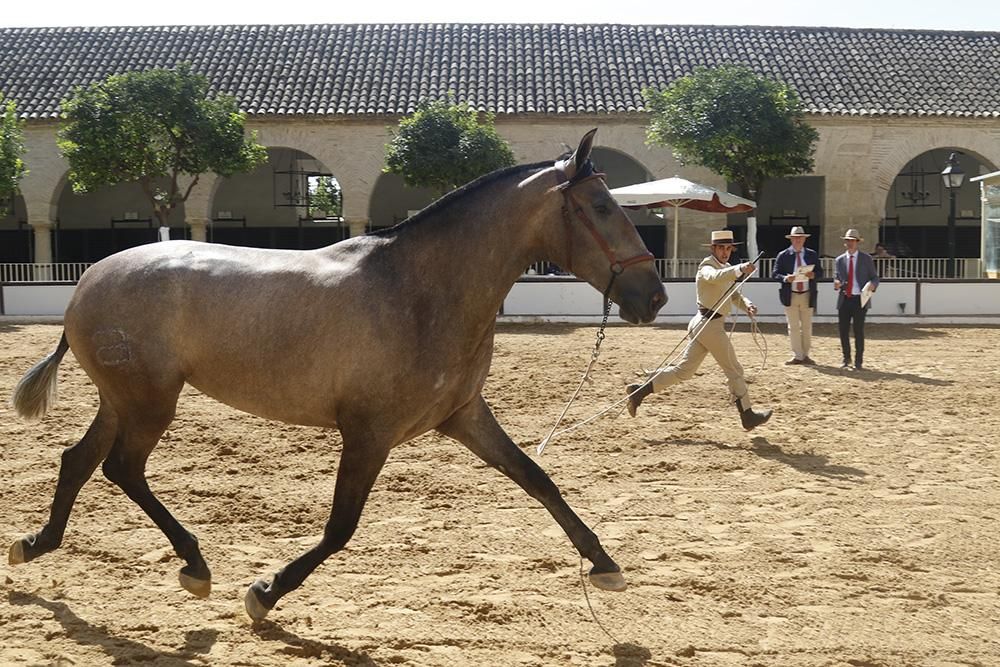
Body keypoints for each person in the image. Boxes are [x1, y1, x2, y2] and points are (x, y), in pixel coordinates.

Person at [625, 229, 772, 431]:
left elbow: (734, 295)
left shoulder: (727, 267)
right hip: (709, 326)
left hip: (705, 325)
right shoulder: (707, 267)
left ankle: (639, 391)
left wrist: (747, 305)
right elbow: (715, 277)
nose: (725, 252)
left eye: (728, 248)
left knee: (683, 372)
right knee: (735, 370)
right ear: (713, 248)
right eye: (721, 248)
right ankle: (747, 415)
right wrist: (739, 269)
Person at [772, 226, 823, 365]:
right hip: (791, 294)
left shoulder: (812, 254)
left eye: (800, 237)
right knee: (793, 326)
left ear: (804, 239)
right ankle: (798, 355)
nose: (798, 240)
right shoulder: (783, 255)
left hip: (807, 293)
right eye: (795, 238)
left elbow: (820, 272)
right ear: (791, 239)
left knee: (807, 326)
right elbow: (775, 273)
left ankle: (805, 355)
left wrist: (814, 275)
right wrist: (785, 278)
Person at [834, 229, 880, 370]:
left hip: (860, 299)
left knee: (858, 330)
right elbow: (837, 277)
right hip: (845, 298)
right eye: (848, 240)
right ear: (845, 242)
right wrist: (836, 282)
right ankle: (846, 358)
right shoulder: (840, 260)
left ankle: (858, 360)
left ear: (857, 242)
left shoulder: (866, 259)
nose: (850, 243)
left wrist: (873, 285)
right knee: (843, 330)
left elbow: (875, 277)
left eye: (852, 240)